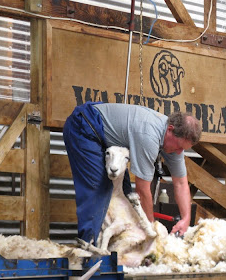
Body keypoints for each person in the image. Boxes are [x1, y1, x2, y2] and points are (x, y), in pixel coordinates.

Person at [63, 102, 202, 245]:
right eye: (179, 147)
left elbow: (180, 183)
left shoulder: (174, 142)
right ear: (170, 130)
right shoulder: (149, 135)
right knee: (99, 188)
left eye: (183, 149)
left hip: (101, 133)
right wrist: (152, 231)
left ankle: (117, 246)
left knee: (126, 194)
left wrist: (185, 219)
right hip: (84, 125)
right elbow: (142, 190)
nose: (179, 152)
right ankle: (89, 251)